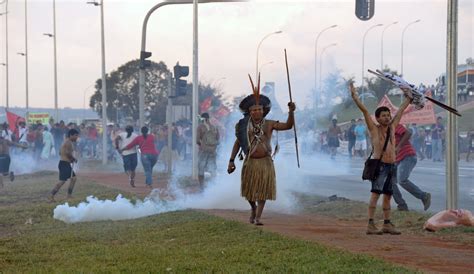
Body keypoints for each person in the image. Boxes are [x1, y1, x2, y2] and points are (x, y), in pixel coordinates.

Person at [227, 76, 295, 226]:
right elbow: (238, 143)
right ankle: (253, 208)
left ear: (264, 111)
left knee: (263, 191)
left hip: (265, 162)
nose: (257, 112)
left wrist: (291, 112)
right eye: (254, 110)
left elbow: (288, 126)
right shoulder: (243, 126)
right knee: (249, 192)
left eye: (259, 109)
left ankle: (258, 217)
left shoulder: (270, 124)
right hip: (250, 162)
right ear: (250, 112)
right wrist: (231, 161)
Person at [349, 81, 412, 235]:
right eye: (383, 116)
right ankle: (370, 224)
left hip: (391, 166)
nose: (387, 117)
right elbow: (364, 111)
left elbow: (401, 111)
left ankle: (387, 224)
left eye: (388, 115)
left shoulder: (392, 127)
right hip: (380, 166)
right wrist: (355, 97)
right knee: (375, 195)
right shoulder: (374, 130)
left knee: (388, 196)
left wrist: (409, 98)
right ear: (377, 119)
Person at [391, 124, 431, 211]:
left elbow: (408, 132)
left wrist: (399, 147)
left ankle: (424, 196)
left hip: (407, 156)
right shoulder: (383, 133)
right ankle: (402, 205)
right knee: (389, 182)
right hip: (397, 160)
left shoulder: (393, 125)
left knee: (402, 180)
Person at [49, 129, 80, 201]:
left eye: (77, 136)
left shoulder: (66, 142)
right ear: (71, 135)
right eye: (75, 136)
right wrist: (73, 159)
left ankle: (69, 195)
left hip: (65, 163)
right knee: (62, 181)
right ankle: (51, 195)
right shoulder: (68, 142)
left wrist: (69, 159)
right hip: (64, 164)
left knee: (74, 178)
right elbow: (67, 153)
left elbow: (60, 152)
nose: (76, 137)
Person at [197, 112, 220, 189]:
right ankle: (213, 186)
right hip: (213, 151)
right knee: (212, 168)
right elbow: (218, 139)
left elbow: (197, 140)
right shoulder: (214, 127)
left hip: (203, 151)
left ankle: (201, 187)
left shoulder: (200, 127)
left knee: (201, 168)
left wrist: (203, 146)